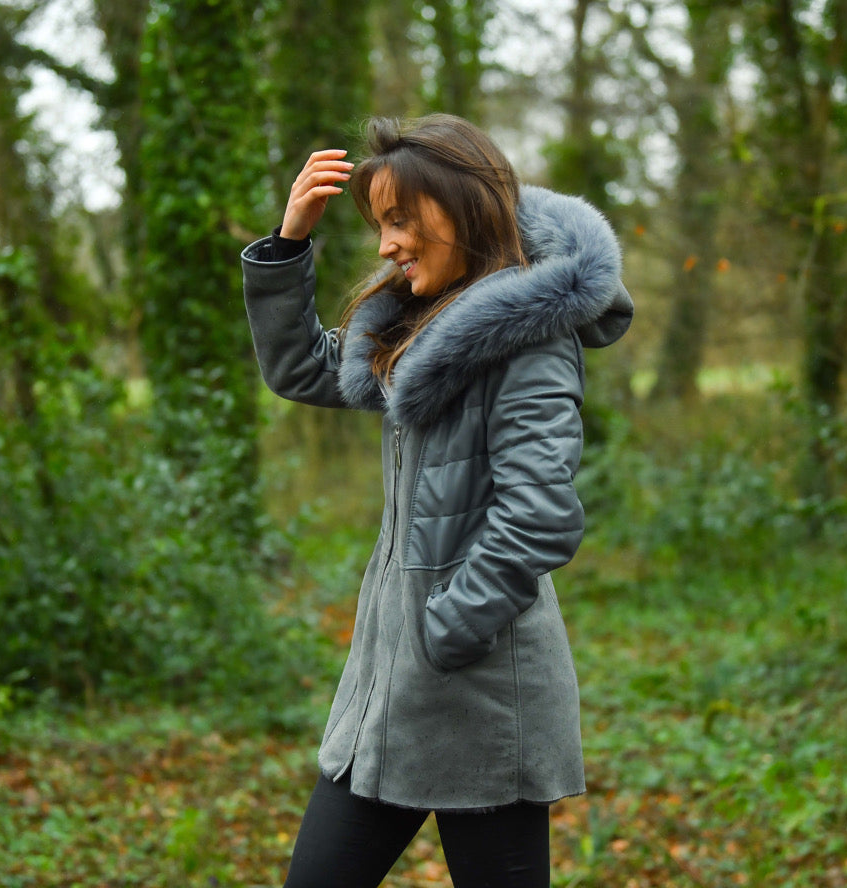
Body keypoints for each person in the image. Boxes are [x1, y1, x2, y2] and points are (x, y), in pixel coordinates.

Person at [240, 114, 633, 888]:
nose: (385, 244)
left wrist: (446, 629)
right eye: (379, 224)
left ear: (461, 208)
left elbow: (538, 515)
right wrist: (287, 247)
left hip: (480, 690)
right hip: (390, 692)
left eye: (399, 221)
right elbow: (302, 370)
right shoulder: (417, 326)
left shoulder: (527, 339)